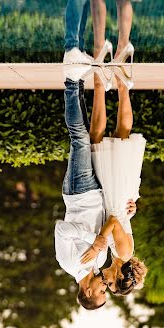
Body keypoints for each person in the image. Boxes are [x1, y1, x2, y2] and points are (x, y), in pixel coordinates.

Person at [81, 67, 148, 295]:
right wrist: (99, 240)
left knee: (99, 140)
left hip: (115, 198)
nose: (106, 282)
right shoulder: (124, 254)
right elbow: (114, 221)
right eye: (110, 284)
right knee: (119, 136)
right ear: (119, 276)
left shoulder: (117, 255)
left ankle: (104, 86)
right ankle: (120, 87)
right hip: (117, 196)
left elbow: (121, 223)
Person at [54, 73, 108, 310]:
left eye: (101, 291)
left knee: (79, 139)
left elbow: (61, 229)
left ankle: (70, 82)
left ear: (88, 291)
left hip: (78, 192)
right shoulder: (101, 261)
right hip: (98, 192)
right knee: (86, 134)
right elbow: (106, 224)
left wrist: (92, 241)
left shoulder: (68, 263)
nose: (105, 287)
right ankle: (79, 83)